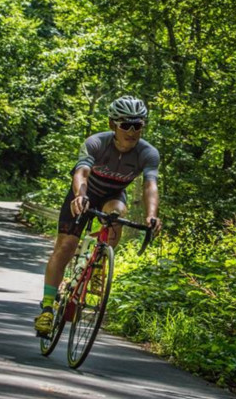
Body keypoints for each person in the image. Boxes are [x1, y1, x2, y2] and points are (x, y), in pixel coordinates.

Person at [34, 95, 162, 337]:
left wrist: (152, 215)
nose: (132, 131)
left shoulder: (148, 153)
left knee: (117, 214)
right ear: (113, 124)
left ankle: (96, 260)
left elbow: (150, 185)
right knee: (65, 246)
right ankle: (48, 309)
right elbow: (82, 172)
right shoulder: (96, 142)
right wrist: (80, 196)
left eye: (139, 125)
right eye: (126, 125)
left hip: (113, 195)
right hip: (84, 193)